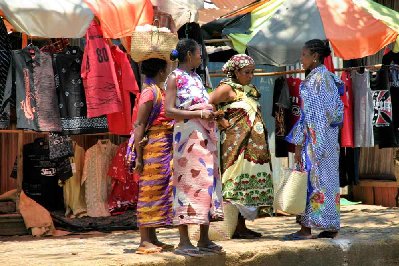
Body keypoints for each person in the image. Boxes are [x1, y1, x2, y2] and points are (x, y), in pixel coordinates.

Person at [165, 39, 224, 257]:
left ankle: (204, 238)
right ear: (189, 55)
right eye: (199, 53)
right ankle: (183, 241)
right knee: (187, 186)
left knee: (206, 183)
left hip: (204, 138)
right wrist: (199, 114)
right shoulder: (174, 78)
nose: (201, 57)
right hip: (187, 138)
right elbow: (169, 111)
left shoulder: (197, 77)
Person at [284, 39, 344, 240]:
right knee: (328, 182)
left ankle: (306, 228)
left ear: (315, 56)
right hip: (328, 140)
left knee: (312, 181)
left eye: (304, 54)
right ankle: (330, 225)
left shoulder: (316, 80)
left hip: (316, 141)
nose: (301, 59)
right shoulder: (327, 78)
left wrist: (302, 143)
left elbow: (314, 116)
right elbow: (335, 114)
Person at [209, 54, 273, 239]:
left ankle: (242, 226)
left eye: (252, 72)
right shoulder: (226, 88)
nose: (251, 75)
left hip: (253, 146)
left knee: (247, 182)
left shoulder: (249, 89)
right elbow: (209, 102)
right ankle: (234, 226)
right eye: (247, 72)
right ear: (235, 72)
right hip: (235, 146)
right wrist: (221, 120)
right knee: (235, 181)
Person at [133, 58, 174, 254]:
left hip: (162, 146)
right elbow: (139, 124)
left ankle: (153, 237)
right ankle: (143, 241)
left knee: (158, 191)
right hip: (152, 147)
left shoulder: (157, 90)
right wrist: (139, 157)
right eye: (165, 69)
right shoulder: (149, 93)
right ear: (160, 71)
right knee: (148, 191)